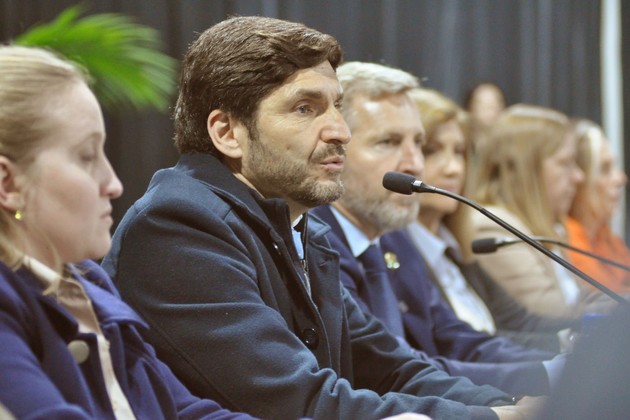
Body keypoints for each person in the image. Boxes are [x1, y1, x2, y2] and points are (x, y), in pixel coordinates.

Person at [104, 16, 537, 420]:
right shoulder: (178, 226)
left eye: (336, 107)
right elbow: (297, 401)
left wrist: (507, 406)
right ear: (227, 132)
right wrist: (492, 417)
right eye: (305, 109)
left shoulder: (299, 228)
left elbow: (393, 368)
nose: (340, 131)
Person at [0, 45, 255, 419]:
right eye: (87, 156)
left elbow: (185, 412)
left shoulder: (90, 283)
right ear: (8, 184)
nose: (113, 184)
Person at [312, 62, 562, 397]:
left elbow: (455, 338)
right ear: (335, 150)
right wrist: (530, 387)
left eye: (418, 143)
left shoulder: (394, 239)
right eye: (388, 142)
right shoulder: (315, 244)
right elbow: (387, 370)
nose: (414, 164)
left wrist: (556, 369)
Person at [403, 87, 571, 352]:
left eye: (459, 152)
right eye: (432, 151)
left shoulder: (457, 247)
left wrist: (578, 338)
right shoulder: (397, 250)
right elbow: (458, 347)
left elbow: (520, 322)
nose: (453, 169)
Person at [469, 104, 614, 318]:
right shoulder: (494, 227)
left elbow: (580, 302)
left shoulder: (550, 227)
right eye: (565, 163)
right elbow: (551, 317)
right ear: (526, 170)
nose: (579, 176)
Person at [566, 118, 630, 294]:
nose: (620, 179)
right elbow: (611, 301)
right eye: (605, 169)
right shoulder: (569, 239)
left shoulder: (603, 234)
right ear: (578, 178)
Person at [463, 82, 506, 153]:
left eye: (494, 104)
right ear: (469, 108)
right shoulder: (461, 147)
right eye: (482, 104)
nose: (489, 110)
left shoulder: (509, 150)